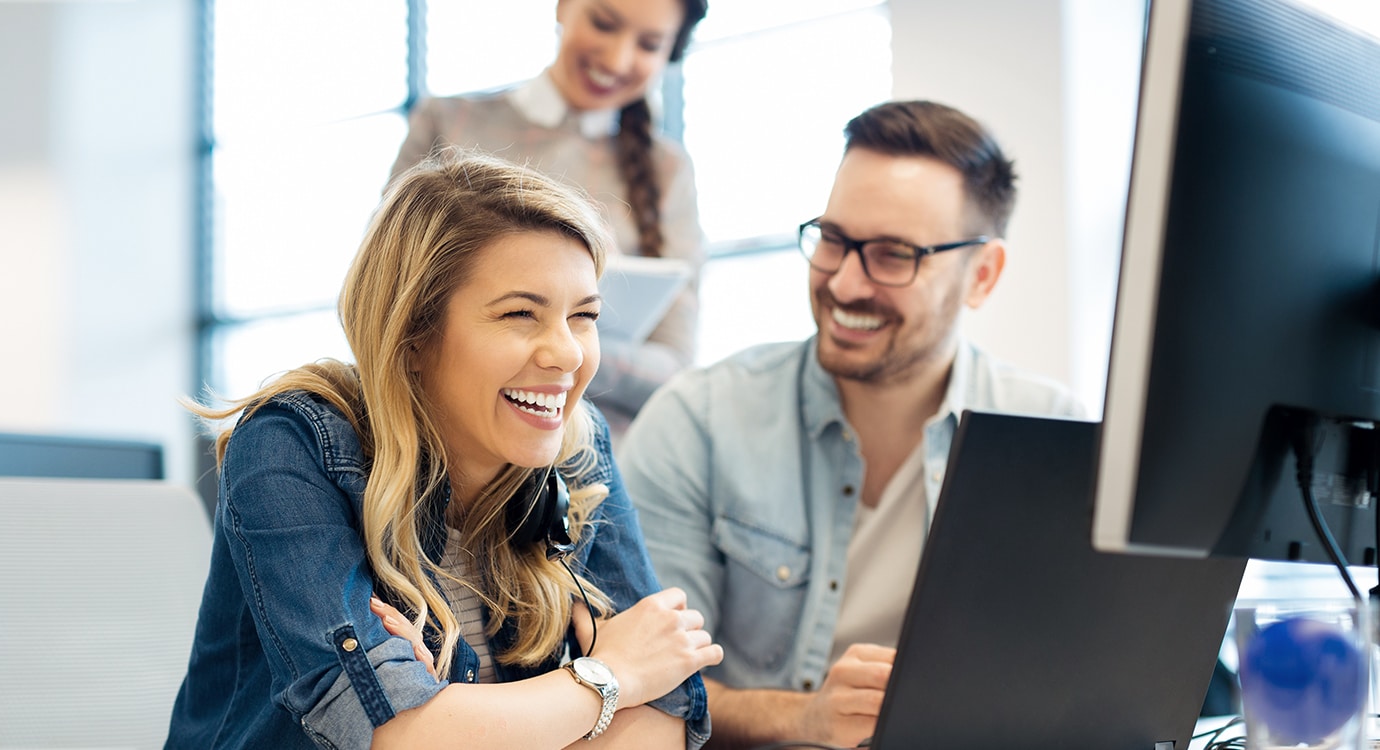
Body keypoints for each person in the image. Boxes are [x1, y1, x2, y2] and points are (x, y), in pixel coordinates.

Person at [165, 151, 722, 749]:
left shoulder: (576, 448)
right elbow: (395, 737)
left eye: (583, 316)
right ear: (413, 335)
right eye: (520, 314)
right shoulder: (290, 445)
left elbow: (663, 704)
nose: (566, 353)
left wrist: (459, 721)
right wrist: (608, 677)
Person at [618, 100, 1087, 749]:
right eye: (834, 239)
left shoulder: (1057, 437)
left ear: (982, 275)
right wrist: (804, 718)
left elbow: (1093, 685)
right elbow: (648, 690)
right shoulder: (696, 421)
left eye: (893, 255)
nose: (844, 281)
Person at [389, 0, 709, 434]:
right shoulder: (448, 124)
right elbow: (387, 303)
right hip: (442, 440)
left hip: (597, 463)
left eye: (649, 44)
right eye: (603, 23)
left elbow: (675, 367)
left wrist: (560, 346)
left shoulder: (667, 172)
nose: (617, 59)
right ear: (563, 6)